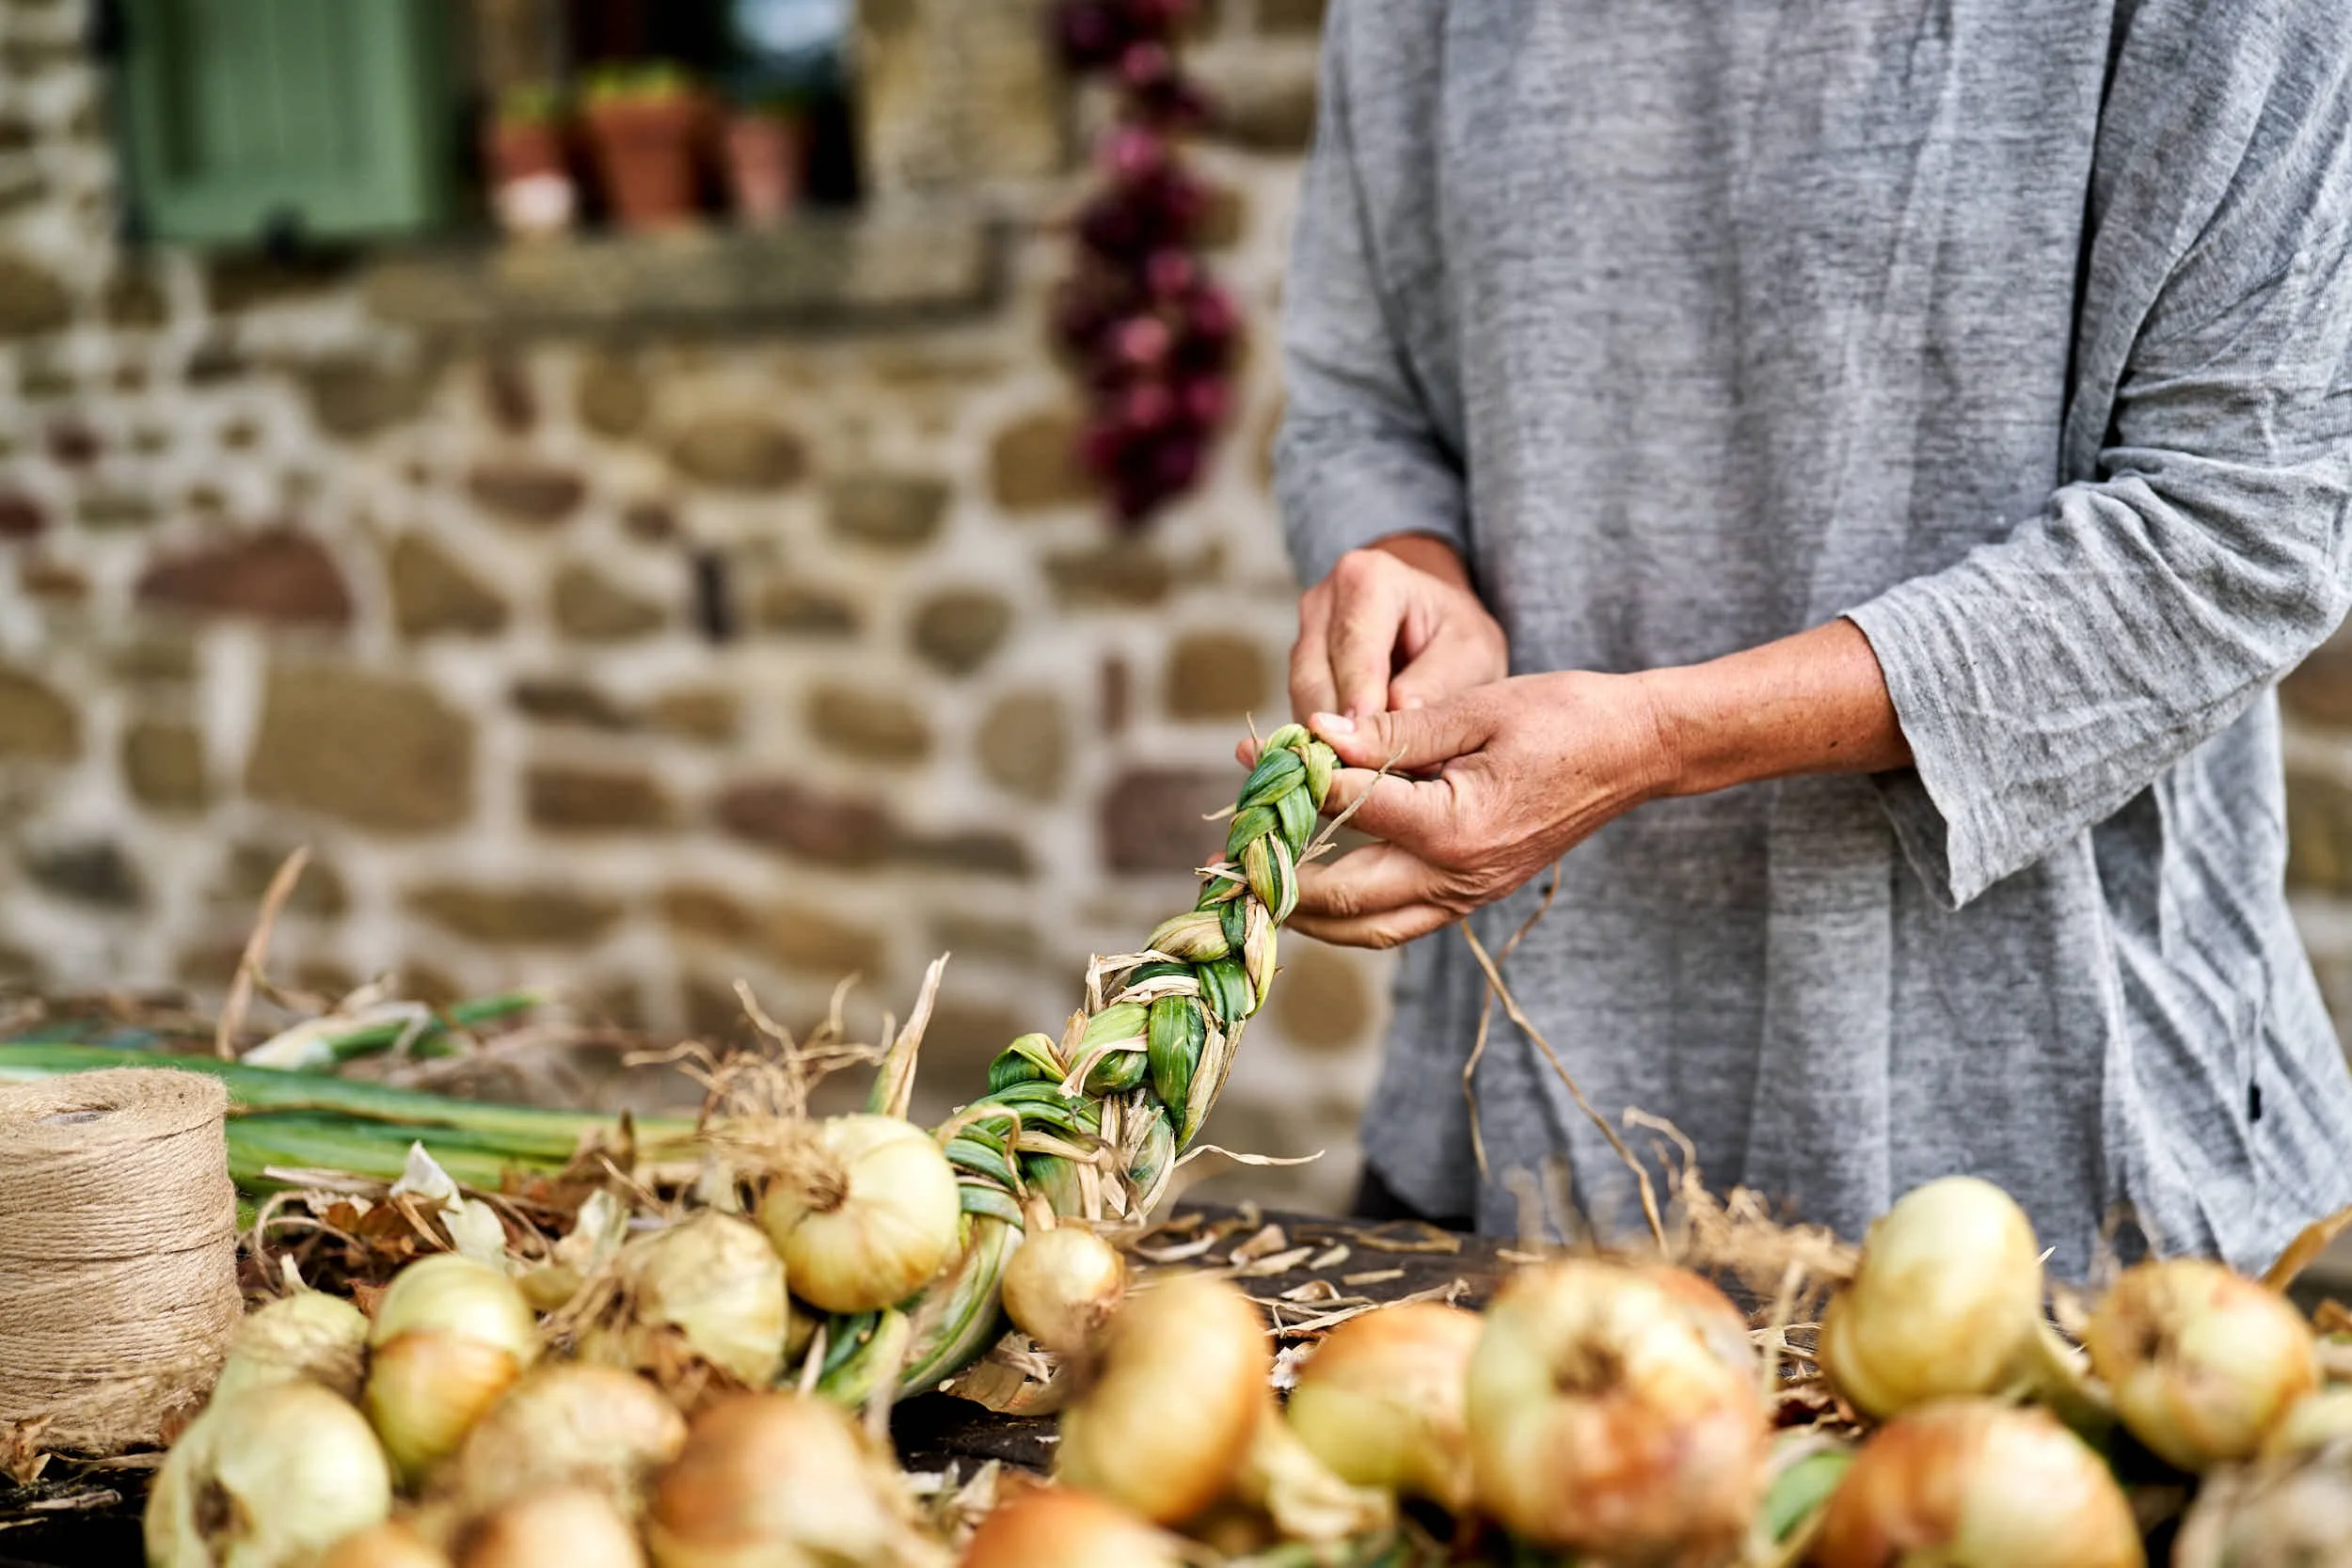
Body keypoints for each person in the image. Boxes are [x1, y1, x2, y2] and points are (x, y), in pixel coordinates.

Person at [1268, 0, 2352, 1280]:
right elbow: (1358, 405)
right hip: (1511, 1147)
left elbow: (2238, 523)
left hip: (2057, 1182)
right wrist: (1411, 565)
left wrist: (1657, 739)